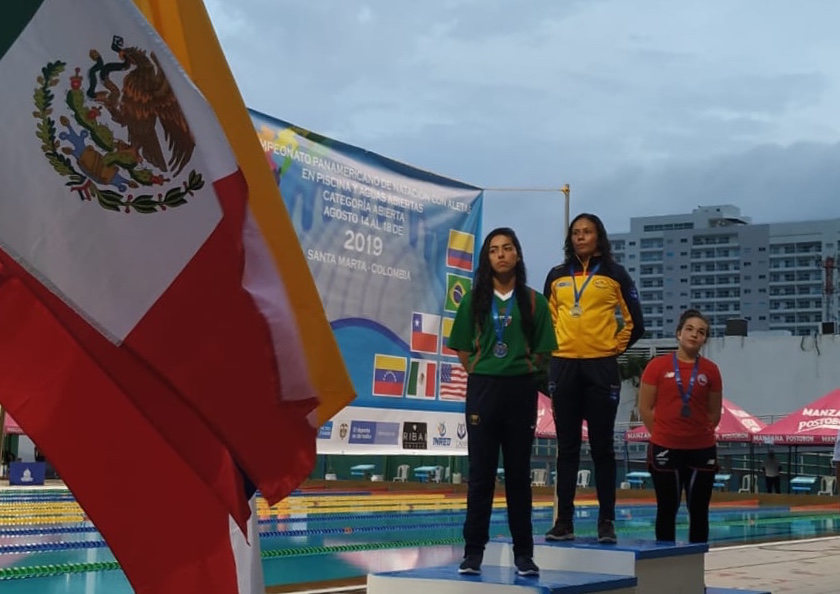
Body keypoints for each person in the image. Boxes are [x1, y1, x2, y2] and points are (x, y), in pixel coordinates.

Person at [448, 227, 557, 576]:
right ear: (487, 258)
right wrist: (487, 369)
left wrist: (515, 369)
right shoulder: (473, 300)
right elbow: (463, 350)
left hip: (520, 391)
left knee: (518, 476)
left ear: (517, 255)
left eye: (507, 248)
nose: (501, 255)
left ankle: (524, 554)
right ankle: (473, 553)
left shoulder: (533, 301)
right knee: (480, 476)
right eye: (494, 250)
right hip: (483, 390)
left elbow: (542, 353)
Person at [543, 213, 644, 544]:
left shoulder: (616, 274)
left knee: (602, 447)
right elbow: (548, 320)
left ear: (599, 236)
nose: (580, 237)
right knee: (567, 448)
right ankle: (564, 521)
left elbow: (635, 322)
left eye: (587, 232)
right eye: (575, 233)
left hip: (601, 368)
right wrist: (555, 351)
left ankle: (606, 522)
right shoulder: (556, 276)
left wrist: (609, 349)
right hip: (565, 366)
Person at [638, 309, 722, 543]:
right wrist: (664, 435)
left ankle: (695, 572)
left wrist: (697, 434)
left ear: (705, 339)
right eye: (690, 329)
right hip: (665, 447)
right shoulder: (657, 366)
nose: (695, 335)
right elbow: (645, 408)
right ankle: (666, 571)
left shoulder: (711, 370)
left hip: (702, 449)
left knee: (699, 511)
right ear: (678, 333)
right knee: (667, 509)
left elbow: (714, 412)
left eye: (701, 332)